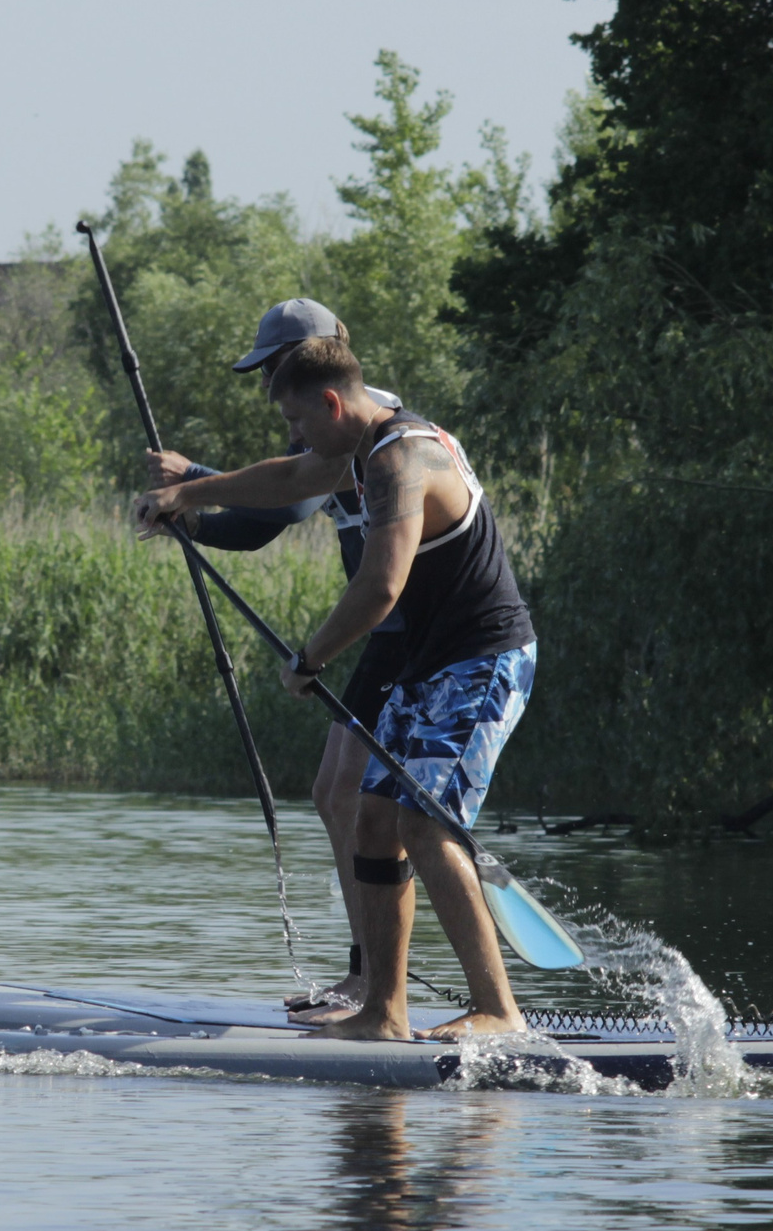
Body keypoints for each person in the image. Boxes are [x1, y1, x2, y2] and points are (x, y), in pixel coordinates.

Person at [133, 335, 537, 1041]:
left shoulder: (400, 457)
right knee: (373, 823)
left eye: (297, 422)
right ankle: (384, 1011)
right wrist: (186, 492)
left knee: (423, 825)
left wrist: (310, 658)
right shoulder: (361, 448)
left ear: (330, 401)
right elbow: (288, 481)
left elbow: (380, 585)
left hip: (481, 659)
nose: (295, 438)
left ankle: (500, 1011)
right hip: (429, 663)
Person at [140, 297, 403, 1015]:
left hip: (417, 630)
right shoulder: (327, 425)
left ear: (321, 357)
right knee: (333, 792)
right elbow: (254, 531)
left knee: (349, 794)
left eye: (275, 366)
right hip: (388, 636)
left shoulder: (371, 422)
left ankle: (373, 982)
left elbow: (287, 500)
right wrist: (188, 520)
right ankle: (367, 973)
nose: (268, 384)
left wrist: (191, 472)